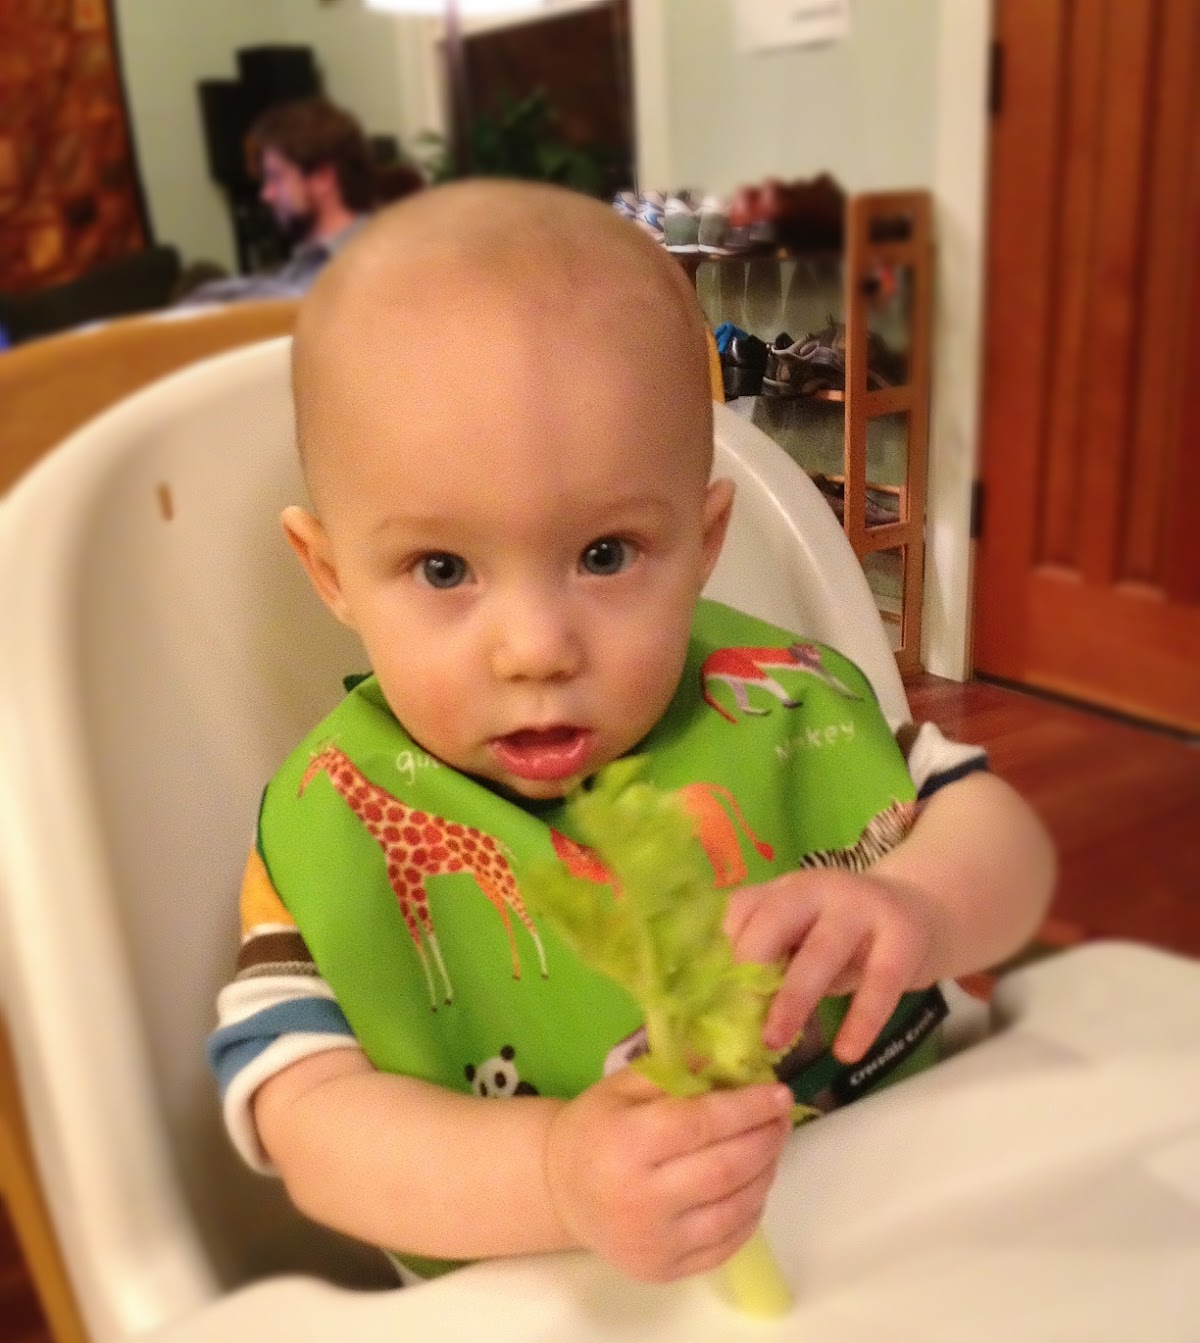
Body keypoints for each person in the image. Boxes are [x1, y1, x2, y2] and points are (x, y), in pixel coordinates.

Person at [207, 180, 1056, 1287]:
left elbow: (1003, 842)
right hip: (561, 1323)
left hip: (897, 1244)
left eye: (605, 555)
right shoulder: (345, 822)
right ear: (331, 574)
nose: (536, 649)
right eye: (443, 569)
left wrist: (923, 906)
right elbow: (306, 1121)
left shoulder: (780, 709)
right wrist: (554, 1175)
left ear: (704, 543)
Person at [181, 97, 381, 306]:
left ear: (323, 178)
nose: (266, 194)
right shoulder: (302, 265)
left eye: (276, 177)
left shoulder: (379, 262)